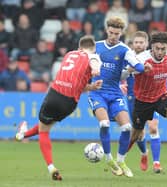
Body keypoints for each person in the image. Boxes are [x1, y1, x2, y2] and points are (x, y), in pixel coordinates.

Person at [15, 35, 103, 180]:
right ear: (93, 49)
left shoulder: (69, 54)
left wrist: (92, 83)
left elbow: (77, 77)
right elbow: (92, 62)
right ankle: (22, 135)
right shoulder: (93, 56)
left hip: (55, 94)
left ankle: (51, 166)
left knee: (44, 131)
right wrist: (94, 71)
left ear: (79, 48)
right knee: (47, 125)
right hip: (70, 104)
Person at [87, 17, 152, 178]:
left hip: (115, 93)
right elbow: (84, 62)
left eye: (117, 33)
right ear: (106, 30)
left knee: (127, 128)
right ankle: (109, 159)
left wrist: (144, 68)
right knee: (104, 123)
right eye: (111, 32)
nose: (113, 35)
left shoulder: (124, 50)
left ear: (121, 33)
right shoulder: (96, 47)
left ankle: (121, 160)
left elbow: (136, 65)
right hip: (97, 92)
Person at [128, 31, 167, 176]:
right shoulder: (142, 58)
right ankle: (120, 159)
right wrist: (134, 70)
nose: (160, 52)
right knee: (135, 135)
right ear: (151, 47)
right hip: (143, 101)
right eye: (157, 48)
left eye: (163, 49)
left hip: (161, 96)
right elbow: (127, 71)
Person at [122, 31, 164, 173]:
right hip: (134, 99)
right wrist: (119, 85)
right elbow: (117, 74)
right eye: (136, 42)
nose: (139, 44)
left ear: (146, 44)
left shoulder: (151, 57)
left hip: (153, 97)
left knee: (153, 128)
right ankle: (144, 153)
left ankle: (157, 163)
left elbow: (163, 76)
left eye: (141, 42)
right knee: (138, 133)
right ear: (133, 44)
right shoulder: (128, 57)